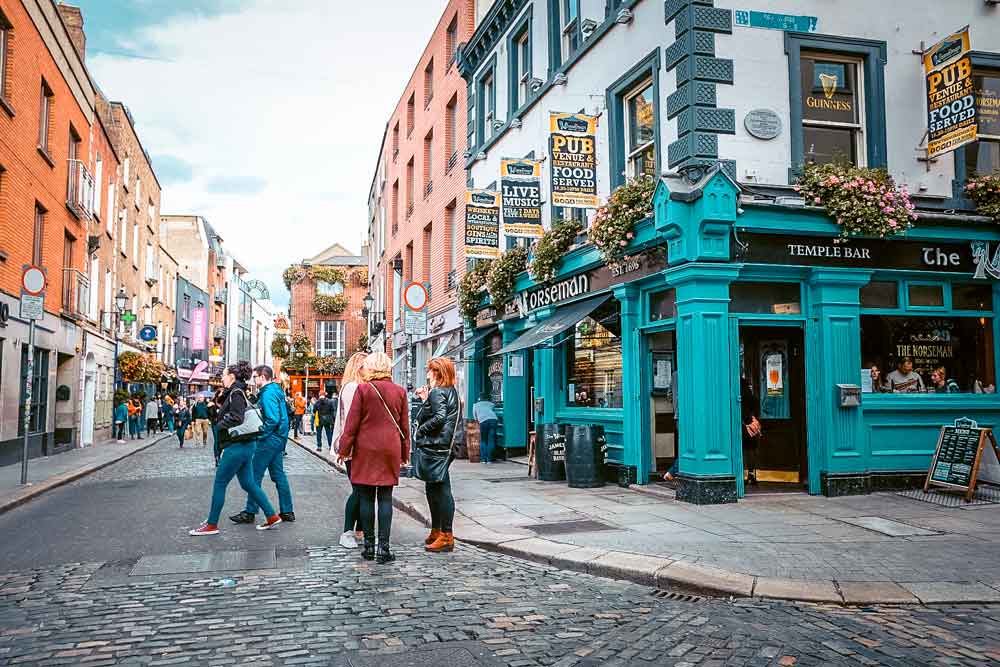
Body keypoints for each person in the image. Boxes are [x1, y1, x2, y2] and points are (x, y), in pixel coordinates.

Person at [189, 361, 282, 536]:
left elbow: (237, 417)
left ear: (231, 376)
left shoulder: (236, 393)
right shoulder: (236, 392)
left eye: (223, 375)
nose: (222, 378)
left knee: (220, 483)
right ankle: (271, 515)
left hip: (237, 445)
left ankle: (211, 524)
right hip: (246, 444)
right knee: (248, 483)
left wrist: (219, 424)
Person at [337, 352, 409, 563]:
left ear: (371, 367)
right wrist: (405, 453)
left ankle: (369, 547)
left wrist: (343, 450)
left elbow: (351, 425)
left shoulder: (363, 389)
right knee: (385, 498)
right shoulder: (400, 391)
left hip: (366, 448)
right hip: (390, 448)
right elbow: (404, 426)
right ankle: (384, 549)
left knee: (367, 497)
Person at [230, 365, 295, 525]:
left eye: (255, 377)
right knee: (278, 475)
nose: (254, 380)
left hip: (269, 440)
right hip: (279, 438)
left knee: (253, 475)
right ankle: (287, 511)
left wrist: (261, 434)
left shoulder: (268, 394)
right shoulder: (276, 390)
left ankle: (250, 512)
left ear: (262, 377)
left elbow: (273, 419)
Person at [414, 357, 461, 554]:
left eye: (429, 371)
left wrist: (421, 430)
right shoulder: (451, 392)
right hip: (444, 446)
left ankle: (446, 535)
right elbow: (440, 412)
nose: (427, 375)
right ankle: (437, 530)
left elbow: (439, 417)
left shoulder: (438, 392)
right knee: (434, 488)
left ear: (437, 373)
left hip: (437, 447)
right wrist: (426, 401)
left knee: (440, 490)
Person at [332, 352, 368, 549]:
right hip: (353, 447)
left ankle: (360, 529)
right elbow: (352, 422)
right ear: (358, 367)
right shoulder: (353, 387)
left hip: (357, 446)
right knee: (359, 489)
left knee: (363, 489)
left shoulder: (356, 387)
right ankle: (347, 532)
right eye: (366, 365)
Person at [741, 375, 762, 486]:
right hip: (753, 423)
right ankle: (751, 474)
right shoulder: (752, 397)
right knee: (752, 449)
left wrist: (747, 421)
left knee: (744, 450)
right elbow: (756, 407)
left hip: (744, 425)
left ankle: (744, 474)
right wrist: (755, 420)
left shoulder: (741, 396)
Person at [472, 393, 498, 465]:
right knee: (491, 440)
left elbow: (475, 417)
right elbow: (494, 408)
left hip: (483, 421)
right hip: (493, 420)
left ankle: (483, 459)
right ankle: (489, 459)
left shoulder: (475, 405)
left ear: (479, 398)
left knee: (483, 440)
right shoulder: (490, 404)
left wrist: (479, 420)